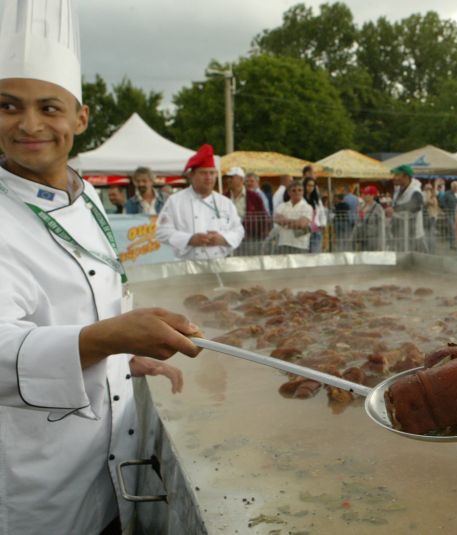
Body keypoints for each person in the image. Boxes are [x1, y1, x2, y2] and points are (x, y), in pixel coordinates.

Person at [0, 3, 200, 533]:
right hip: (36, 492)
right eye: (7, 106)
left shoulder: (87, 197)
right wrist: (111, 338)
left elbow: (83, 310)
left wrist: (124, 362)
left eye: (49, 107)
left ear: (80, 119)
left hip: (111, 474)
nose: (29, 125)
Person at [156, 144, 244, 260]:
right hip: (185, 266)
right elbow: (162, 232)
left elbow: (238, 230)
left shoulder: (225, 203)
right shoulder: (175, 201)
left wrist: (222, 239)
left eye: (212, 173)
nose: (209, 177)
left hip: (218, 264)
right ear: (191, 176)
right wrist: (190, 239)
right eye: (203, 173)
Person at [225, 166, 268, 255]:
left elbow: (263, 218)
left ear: (241, 180)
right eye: (228, 177)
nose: (228, 180)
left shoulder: (255, 197)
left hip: (250, 239)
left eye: (232, 177)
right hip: (229, 239)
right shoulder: (223, 197)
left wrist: (262, 237)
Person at [385, 164, 426, 252]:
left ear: (406, 176)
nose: (394, 177)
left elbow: (416, 205)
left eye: (397, 175)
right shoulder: (398, 189)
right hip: (400, 233)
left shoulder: (415, 191)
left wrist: (395, 209)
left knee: (416, 262)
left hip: (413, 235)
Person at [274, 180, 313, 254]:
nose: (297, 192)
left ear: (303, 192)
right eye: (294, 190)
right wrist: (296, 222)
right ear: (289, 193)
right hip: (283, 243)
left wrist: (285, 222)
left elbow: (302, 224)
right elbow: (278, 220)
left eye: (300, 190)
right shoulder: (282, 206)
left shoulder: (307, 207)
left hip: (301, 245)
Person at [352, 185, 386, 251]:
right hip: (361, 241)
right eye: (363, 193)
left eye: (366, 194)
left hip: (373, 242)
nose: (363, 195)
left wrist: (381, 245)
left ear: (372, 195)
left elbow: (381, 228)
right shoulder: (361, 206)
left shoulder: (378, 208)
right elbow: (358, 223)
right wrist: (354, 237)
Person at [303, 175, 327, 253]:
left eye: (312, 186)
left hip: (316, 231)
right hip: (305, 231)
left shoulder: (316, 200)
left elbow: (322, 213)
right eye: (308, 185)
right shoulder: (301, 200)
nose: (310, 188)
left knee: (316, 255)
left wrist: (323, 224)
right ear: (304, 186)